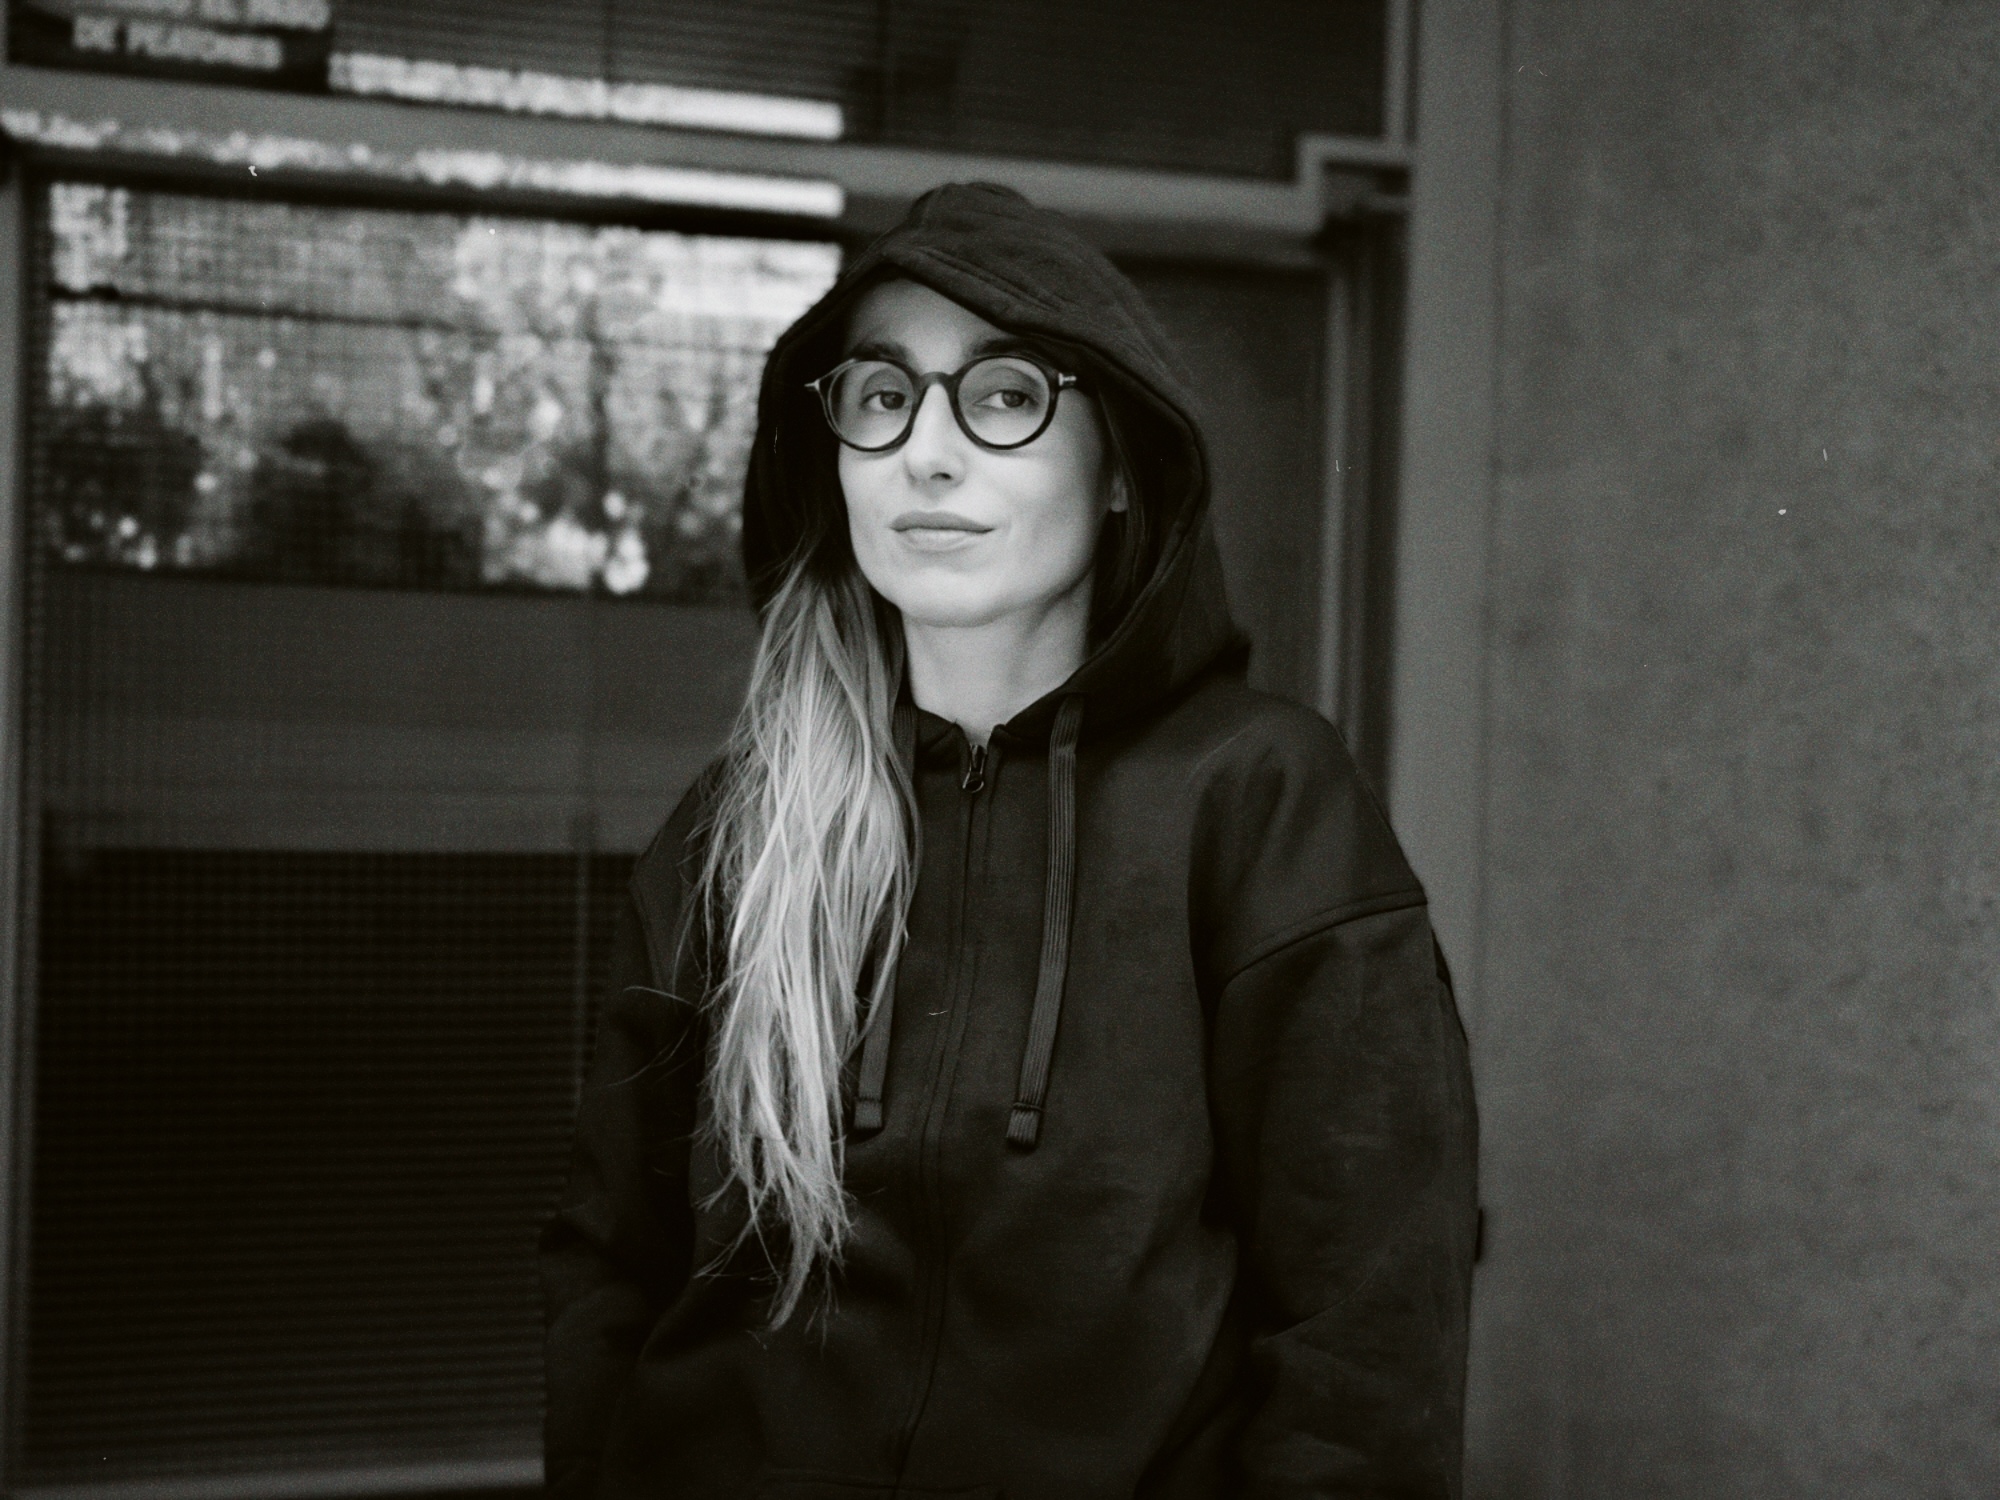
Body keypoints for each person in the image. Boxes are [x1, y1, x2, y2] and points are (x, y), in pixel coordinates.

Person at [541, 183, 1478, 1500]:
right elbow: (610, 1265)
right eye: (882, 396)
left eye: (1004, 396)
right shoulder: (737, 828)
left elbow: (1367, 1331)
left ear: (1119, 468)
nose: (926, 454)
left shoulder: (1260, 800)